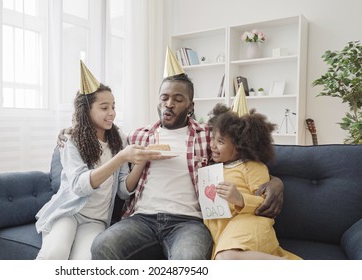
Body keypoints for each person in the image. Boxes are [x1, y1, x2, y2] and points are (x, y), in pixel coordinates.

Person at [88, 47, 285, 260]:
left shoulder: (208, 136)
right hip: (142, 219)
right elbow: (119, 180)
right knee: (102, 245)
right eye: (164, 98)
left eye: (178, 99)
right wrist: (71, 132)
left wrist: (275, 182)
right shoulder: (137, 136)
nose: (169, 104)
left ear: (191, 106)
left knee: (189, 261)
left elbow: (243, 158)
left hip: (188, 222)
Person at [35, 61, 160, 260]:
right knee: (55, 253)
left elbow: (122, 189)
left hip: (96, 220)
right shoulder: (72, 140)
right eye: (104, 107)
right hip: (69, 212)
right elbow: (79, 186)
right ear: (87, 111)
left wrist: (141, 161)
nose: (112, 112)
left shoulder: (119, 139)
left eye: (113, 106)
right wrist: (120, 158)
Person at [205, 102, 300, 260]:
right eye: (212, 139)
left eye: (220, 142)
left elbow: (267, 205)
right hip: (224, 231)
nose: (212, 145)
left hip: (251, 224)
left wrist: (240, 199)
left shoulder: (253, 167)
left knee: (226, 258)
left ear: (241, 146)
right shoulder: (210, 168)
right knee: (223, 259)